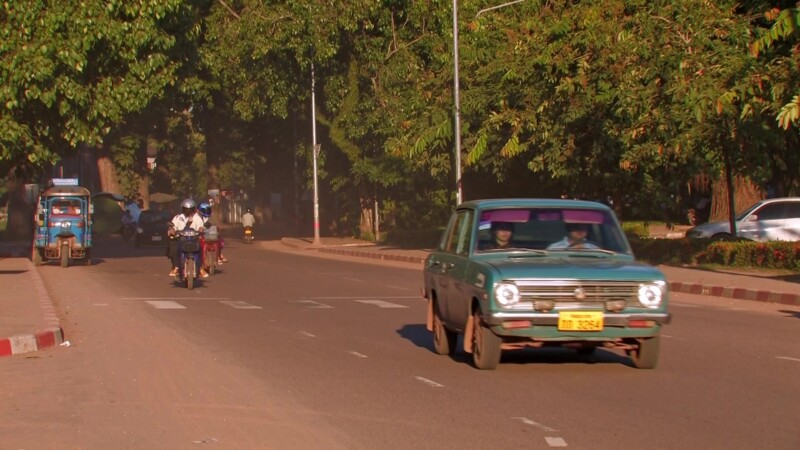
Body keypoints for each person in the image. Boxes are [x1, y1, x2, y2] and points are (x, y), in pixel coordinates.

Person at [167, 198, 207, 278]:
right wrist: (172, 230)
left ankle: (201, 267)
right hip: (181, 239)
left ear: (193, 209)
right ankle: (176, 267)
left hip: (194, 239)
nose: (188, 211)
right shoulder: (178, 217)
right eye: (186, 209)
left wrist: (201, 229)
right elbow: (173, 226)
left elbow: (201, 227)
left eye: (190, 209)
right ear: (182, 209)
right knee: (173, 245)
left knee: (201, 247)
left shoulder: (197, 218)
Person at [198, 202, 228, 270]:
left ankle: (219, 255)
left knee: (220, 241)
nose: (206, 211)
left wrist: (218, 228)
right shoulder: (198, 217)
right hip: (200, 235)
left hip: (210, 235)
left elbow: (217, 224)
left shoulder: (212, 216)